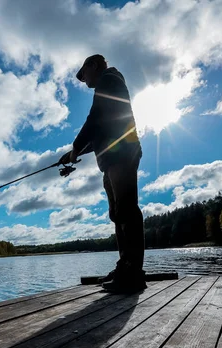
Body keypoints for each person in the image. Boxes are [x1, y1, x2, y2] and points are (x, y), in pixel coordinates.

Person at [59, 54, 145, 294]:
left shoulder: (109, 79)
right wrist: (72, 153)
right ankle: (125, 267)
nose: (83, 80)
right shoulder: (110, 84)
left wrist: (76, 147)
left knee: (127, 210)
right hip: (112, 159)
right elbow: (102, 129)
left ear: (93, 65)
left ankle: (133, 273)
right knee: (118, 214)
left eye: (83, 73)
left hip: (122, 156)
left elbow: (95, 118)